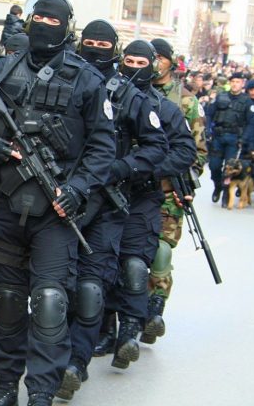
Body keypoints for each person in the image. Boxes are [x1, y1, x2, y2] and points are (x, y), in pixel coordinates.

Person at [0, 0, 115, 406]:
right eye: (40, 18)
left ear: (68, 27)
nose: (46, 25)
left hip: (55, 210)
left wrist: (78, 189)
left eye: (55, 20)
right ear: (28, 22)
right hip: (5, 203)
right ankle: (5, 386)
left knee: (49, 302)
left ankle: (42, 392)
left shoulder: (87, 80)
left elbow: (103, 147)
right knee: (7, 301)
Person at [55, 23, 167, 401]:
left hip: (105, 205)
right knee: (54, 287)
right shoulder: (61, 80)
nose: (95, 49)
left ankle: (75, 363)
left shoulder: (131, 96)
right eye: (89, 43)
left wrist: (120, 168)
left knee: (90, 286)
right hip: (58, 198)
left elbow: (156, 147)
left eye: (103, 44)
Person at [101, 40, 196, 371]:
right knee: (102, 263)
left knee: (135, 263)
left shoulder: (164, 108)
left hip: (142, 194)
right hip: (103, 192)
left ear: (153, 66)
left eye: (142, 63)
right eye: (129, 61)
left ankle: (129, 331)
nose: (134, 68)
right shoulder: (104, 97)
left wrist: (146, 169)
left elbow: (186, 152)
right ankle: (104, 329)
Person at [143, 38, 208, 344]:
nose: (155, 62)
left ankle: (154, 310)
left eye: (160, 57)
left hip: (169, 191)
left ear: (171, 61)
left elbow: (199, 152)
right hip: (134, 186)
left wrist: (186, 183)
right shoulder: (133, 91)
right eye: (151, 56)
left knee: (161, 251)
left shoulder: (186, 101)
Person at [206, 72, 252, 205]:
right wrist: (208, 129)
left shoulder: (246, 101)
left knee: (229, 168)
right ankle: (217, 186)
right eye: (233, 81)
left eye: (238, 82)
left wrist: (244, 138)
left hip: (234, 138)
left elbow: (251, 122)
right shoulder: (221, 97)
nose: (235, 84)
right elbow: (209, 114)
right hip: (218, 136)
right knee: (214, 165)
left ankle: (226, 193)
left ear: (242, 84)